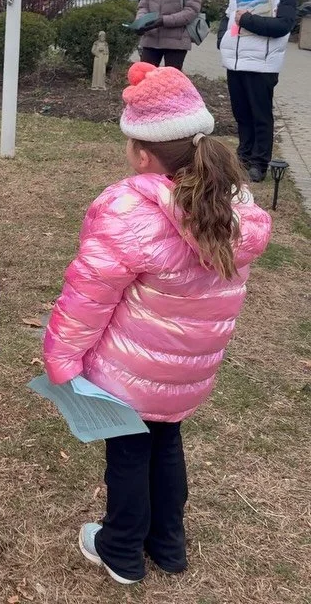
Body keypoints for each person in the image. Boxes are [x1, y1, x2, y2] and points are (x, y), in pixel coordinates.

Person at [43, 62, 271, 586]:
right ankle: (168, 544)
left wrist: (61, 358)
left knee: (128, 452)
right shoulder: (235, 204)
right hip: (189, 370)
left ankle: (120, 549)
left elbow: (89, 296)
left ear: (142, 153)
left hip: (130, 372)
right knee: (165, 443)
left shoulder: (128, 209)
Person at [218, 0, 297, 182]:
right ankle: (243, 157)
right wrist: (222, 41)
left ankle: (259, 163)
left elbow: (284, 26)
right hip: (236, 63)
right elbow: (227, 18)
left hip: (262, 65)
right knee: (241, 113)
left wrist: (248, 20)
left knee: (260, 115)